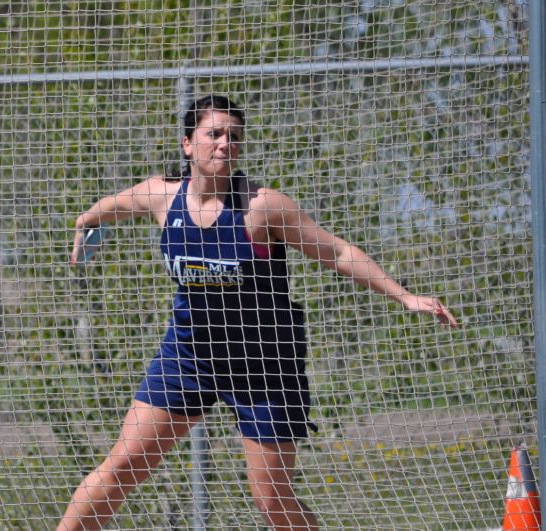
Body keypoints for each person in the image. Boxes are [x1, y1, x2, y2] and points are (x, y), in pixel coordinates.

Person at [59, 95, 459, 530]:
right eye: (214, 134)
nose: (225, 144)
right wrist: (85, 223)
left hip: (263, 366)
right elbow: (110, 206)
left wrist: (404, 297)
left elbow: (339, 252)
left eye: (234, 137)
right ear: (188, 144)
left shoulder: (263, 207)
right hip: (189, 355)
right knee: (120, 469)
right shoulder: (162, 196)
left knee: (271, 500)